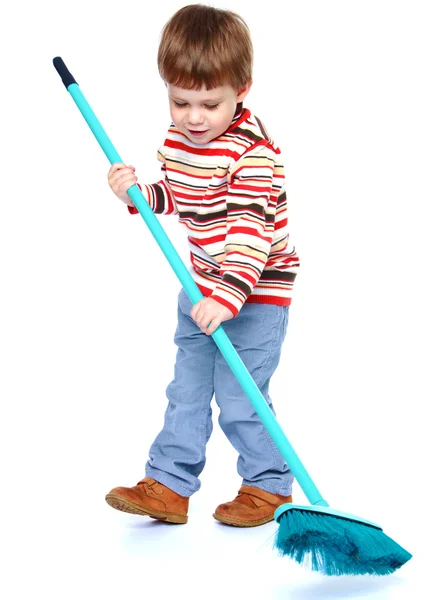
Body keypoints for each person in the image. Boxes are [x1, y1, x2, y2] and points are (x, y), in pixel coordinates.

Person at [105, 3, 300, 527]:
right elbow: (182, 194)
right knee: (187, 388)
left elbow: (249, 237)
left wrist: (228, 298)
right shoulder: (182, 140)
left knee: (240, 396)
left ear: (243, 89)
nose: (193, 118)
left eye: (209, 104)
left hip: (256, 293)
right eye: (179, 101)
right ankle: (168, 484)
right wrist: (140, 193)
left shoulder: (252, 156)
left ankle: (268, 486)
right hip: (200, 287)